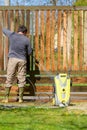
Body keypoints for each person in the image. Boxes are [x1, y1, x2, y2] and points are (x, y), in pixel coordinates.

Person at [2, 25, 32, 103]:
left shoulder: (12, 34)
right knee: (21, 78)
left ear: (18, 30)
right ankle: (21, 99)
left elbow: (3, 29)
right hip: (22, 60)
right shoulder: (27, 40)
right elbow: (29, 52)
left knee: (10, 77)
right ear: (25, 32)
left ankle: (6, 99)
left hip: (12, 59)